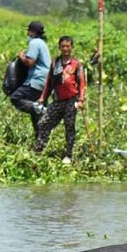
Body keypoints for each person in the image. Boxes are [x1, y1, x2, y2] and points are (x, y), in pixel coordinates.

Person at [35, 35, 87, 163]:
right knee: (43, 123)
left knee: (69, 126)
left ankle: (68, 154)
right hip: (58, 100)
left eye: (67, 46)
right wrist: (42, 98)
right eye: (63, 46)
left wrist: (81, 100)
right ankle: (39, 150)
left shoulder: (76, 64)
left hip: (71, 100)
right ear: (59, 47)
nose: (65, 49)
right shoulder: (55, 63)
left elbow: (81, 84)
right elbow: (49, 82)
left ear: (72, 48)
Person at [10, 20, 51, 136]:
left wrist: (21, 57)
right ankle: (40, 140)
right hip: (45, 81)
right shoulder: (43, 43)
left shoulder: (35, 43)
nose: (28, 33)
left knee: (16, 98)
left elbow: (30, 62)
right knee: (36, 116)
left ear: (32, 32)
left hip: (36, 80)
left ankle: (38, 107)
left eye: (29, 31)